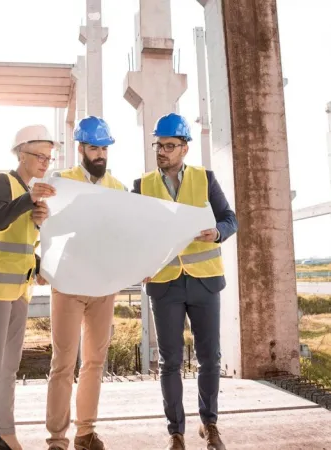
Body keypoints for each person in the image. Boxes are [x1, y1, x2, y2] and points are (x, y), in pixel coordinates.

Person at [132, 113, 238, 450]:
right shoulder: (142, 185)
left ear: (184, 148)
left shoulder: (205, 179)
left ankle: (210, 425)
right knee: (171, 362)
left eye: (169, 145)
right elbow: (134, 234)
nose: (161, 151)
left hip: (204, 281)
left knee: (210, 358)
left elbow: (230, 219)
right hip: (165, 284)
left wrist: (218, 232)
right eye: (158, 145)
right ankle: (175, 432)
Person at [0, 124, 58, 450]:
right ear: (21, 152)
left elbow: (19, 244)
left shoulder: (29, 192)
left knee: (8, 368)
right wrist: (27, 200)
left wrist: (39, 262)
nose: (45, 162)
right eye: (39, 155)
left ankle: (5, 434)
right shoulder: (3, 181)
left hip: (19, 290)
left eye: (49, 157)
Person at [45, 116, 126, 450]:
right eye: (94, 147)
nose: (100, 155)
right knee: (63, 363)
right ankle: (56, 439)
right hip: (68, 283)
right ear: (81, 148)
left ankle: (85, 433)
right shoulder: (61, 181)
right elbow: (45, 225)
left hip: (103, 286)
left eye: (104, 148)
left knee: (94, 362)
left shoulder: (118, 188)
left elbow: (125, 234)